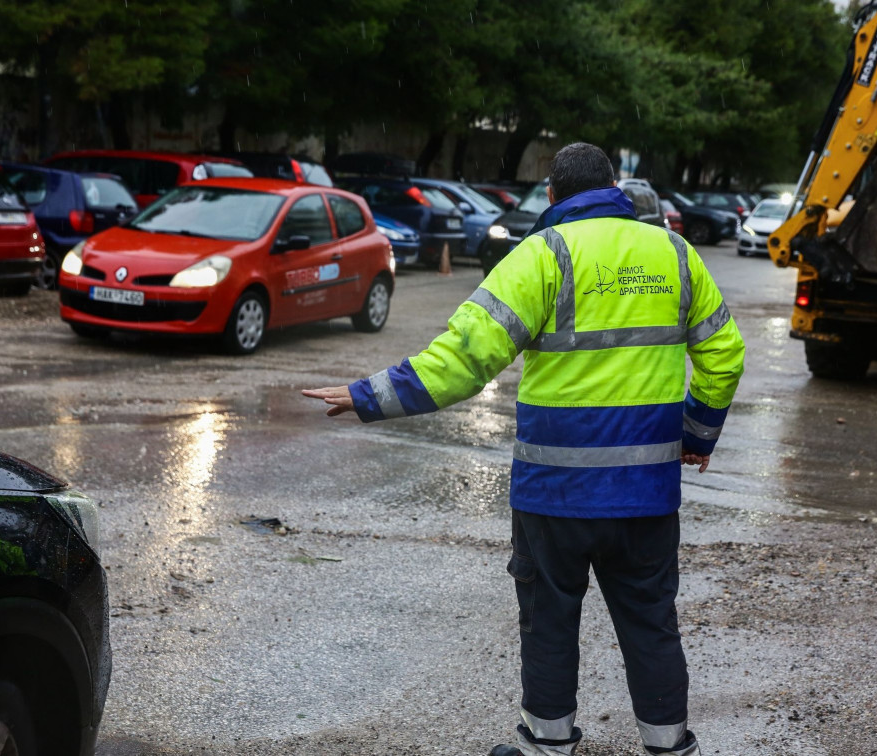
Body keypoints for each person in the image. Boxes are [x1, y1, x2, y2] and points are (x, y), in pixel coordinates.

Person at [303, 142, 745, 756]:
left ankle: (547, 745)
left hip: (554, 496)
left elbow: (463, 359)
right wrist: (696, 434)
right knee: (651, 622)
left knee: (549, 622)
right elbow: (725, 354)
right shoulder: (674, 253)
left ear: (553, 195)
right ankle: (670, 747)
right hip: (645, 494)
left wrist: (367, 396)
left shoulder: (542, 254)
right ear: (614, 189)